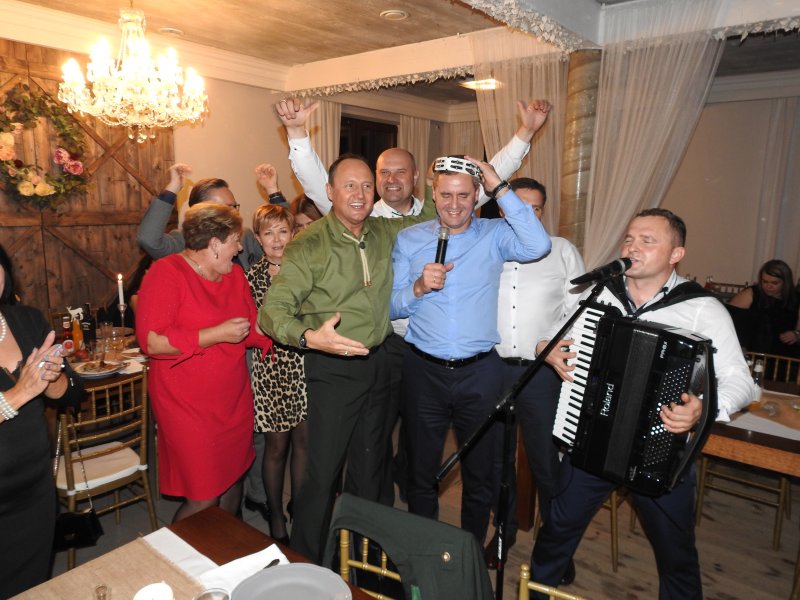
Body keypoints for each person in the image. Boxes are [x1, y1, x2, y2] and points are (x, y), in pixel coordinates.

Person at [275, 96, 553, 505]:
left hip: (430, 352)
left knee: (412, 447)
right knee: (372, 445)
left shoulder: (437, 213)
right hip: (382, 344)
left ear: (419, 180)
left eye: (400, 172)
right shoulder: (365, 216)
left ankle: (407, 515)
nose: (390, 180)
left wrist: (525, 133)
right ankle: (374, 514)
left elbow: (480, 178)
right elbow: (321, 184)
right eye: (382, 173)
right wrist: (298, 133)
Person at [528, 208, 757, 600]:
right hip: (592, 438)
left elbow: (742, 382)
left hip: (661, 449)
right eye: (630, 239)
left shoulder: (702, 308)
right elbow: (556, 332)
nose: (633, 247)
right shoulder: (600, 293)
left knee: (676, 555)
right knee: (555, 534)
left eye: (648, 240)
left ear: (676, 254)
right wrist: (544, 347)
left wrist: (702, 407)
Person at [258, 153, 436, 563]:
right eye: (349, 185)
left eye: (366, 186)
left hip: (380, 363)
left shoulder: (385, 231)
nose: (360, 194)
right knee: (322, 475)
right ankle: (305, 566)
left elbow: (432, 217)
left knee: (371, 473)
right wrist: (311, 339)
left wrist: (430, 181)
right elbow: (272, 312)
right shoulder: (309, 245)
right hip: (333, 369)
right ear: (330, 191)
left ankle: (364, 565)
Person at [390, 155, 551, 546]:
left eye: (464, 195)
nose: (455, 204)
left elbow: (539, 244)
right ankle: (425, 552)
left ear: (477, 195)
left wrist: (500, 185)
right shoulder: (410, 239)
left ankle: (470, 553)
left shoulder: (495, 234)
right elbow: (391, 306)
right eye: (446, 194)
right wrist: (417, 288)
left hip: (480, 373)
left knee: (481, 473)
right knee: (421, 473)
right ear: (433, 193)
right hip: (423, 371)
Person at [136, 202, 272, 523]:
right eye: (235, 241)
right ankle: (178, 552)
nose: (240, 249)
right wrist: (215, 334)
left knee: (233, 479)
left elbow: (250, 328)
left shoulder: (234, 275)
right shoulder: (167, 273)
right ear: (214, 243)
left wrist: (293, 334)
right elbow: (153, 341)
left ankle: (222, 548)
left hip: (233, 401)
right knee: (203, 496)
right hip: (187, 406)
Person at [486, 177, 586, 567]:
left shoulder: (561, 251)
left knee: (546, 462)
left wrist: (552, 340)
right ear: (502, 210)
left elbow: (579, 309)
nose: (526, 214)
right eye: (518, 207)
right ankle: (504, 531)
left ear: (543, 212)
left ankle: (555, 547)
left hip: (542, 373)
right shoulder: (486, 246)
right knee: (496, 461)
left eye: (535, 208)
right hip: (491, 369)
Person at [0, 244, 84, 597]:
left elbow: (73, 393)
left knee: (31, 587)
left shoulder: (27, 320)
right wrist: (19, 393)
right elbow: (22, 392)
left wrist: (52, 378)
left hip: (34, 490)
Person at [246, 205, 307, 544]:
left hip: (304, 365)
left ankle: (300, 506)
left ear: (293, 233)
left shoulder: (305, 270)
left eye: (282, 231)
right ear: (258, 239)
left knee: (304, 443)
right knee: (276, 446)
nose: (276, 239)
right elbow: (249, 327)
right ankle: (275, 514)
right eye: (268, 233)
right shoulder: (250, 278)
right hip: (270, 370)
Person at [137, 163, 267, 270]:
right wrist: (173, 187)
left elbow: (277, 255)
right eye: (225, 209)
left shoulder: (245, 237)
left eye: (234, 207)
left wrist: (273, 191)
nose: (234, 213)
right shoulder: (184, 241)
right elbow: (148, 239)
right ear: (200, 213)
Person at [727, 259, 800, 357]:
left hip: (783, 355)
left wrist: (796, 335)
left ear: (786, 282)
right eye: (765, 282)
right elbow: (728, 321)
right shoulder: (751, 294)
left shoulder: (795, 299)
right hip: (751, 352)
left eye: (774, 283)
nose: (768, 286)